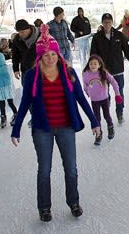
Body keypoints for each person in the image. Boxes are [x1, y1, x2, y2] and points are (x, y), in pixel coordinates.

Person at [11, 26, 100, 221]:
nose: (50, 58)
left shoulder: (69, 73)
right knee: (44, 170)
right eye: (46, 55)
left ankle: (73, 202)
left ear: (58, 53)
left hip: (66, 127)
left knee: (71, 168)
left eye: (53, 53)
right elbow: (25, 103)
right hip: (42, 129)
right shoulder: (31, 76)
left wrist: (94, 121)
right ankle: (44, 207)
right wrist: (16, 129)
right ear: (39, 57)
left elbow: (81, 99)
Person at [89, 13, 129, 124]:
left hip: (118, 70)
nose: (107, 24)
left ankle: (120, 112)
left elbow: (127, 51)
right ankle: (107, 108)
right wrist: (91, 69)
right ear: (102, 23)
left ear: (112, 22)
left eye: (109, 22)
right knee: (104, 92)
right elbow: (93, 54)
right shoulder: (97, 37)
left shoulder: (119, 35)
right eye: (105, 22)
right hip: (103, 71)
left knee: (119, 92)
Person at [82, 55, 121, 146]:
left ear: (99, 65)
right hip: (94, 100)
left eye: (95, 63)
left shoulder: (103, 73)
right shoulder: (86, 74)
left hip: (104, 98)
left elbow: (113, 81)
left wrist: (117, 94)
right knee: (97, 118)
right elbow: (85, 86)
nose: (93, 65)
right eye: (91, 63)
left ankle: (110, 127)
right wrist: (88, 92)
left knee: (106, 115)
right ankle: (98, 134)